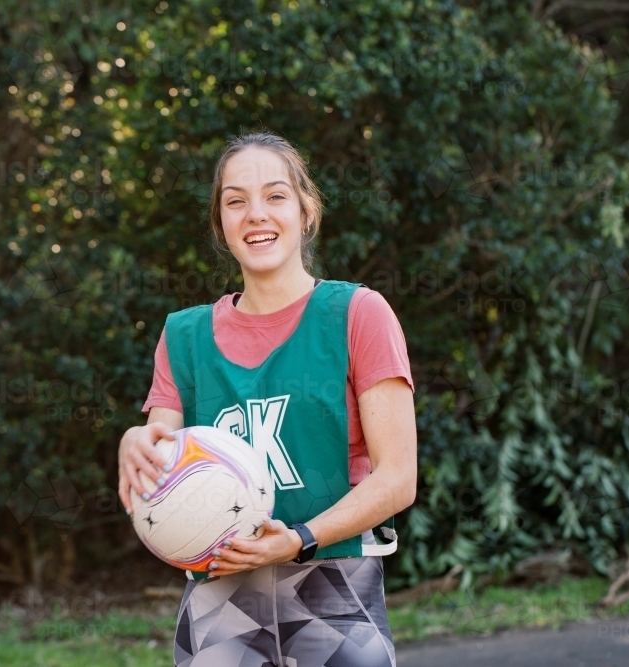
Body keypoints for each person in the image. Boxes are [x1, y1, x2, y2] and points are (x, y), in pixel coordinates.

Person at [117, 131, 417, 667]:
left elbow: (398, 478)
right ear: (221, 225)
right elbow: (159, 457)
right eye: (236, 201)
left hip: (335, 588)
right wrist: (134, 445)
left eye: (275, 196)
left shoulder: (358, 314)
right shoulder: (184, 337)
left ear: (305, 213)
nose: (256, 213)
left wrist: (300, 538)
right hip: (221, 601)